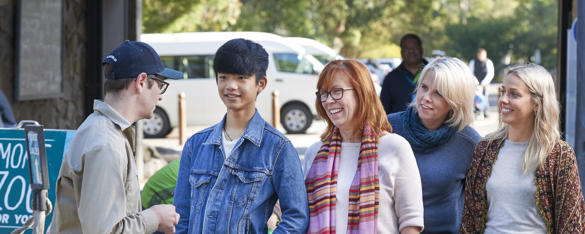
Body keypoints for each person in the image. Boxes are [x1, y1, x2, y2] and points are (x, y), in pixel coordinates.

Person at [173, 38, 309, 233]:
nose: (230, 86)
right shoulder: (196, 144)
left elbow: (296, 218)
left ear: (260, 84)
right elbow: (181, 216)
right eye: (223, 77)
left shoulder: (278, 147)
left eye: (241, 78)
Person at [50, 41, 183, 233]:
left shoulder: (99, 129)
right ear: (141, 82)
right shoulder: (106, 144)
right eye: (160, 84)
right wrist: (155, 217)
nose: (160, 96)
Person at [461, 64, 585, 233]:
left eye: (514, 94)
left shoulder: (559, 154)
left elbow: (571, 224)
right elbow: (469, 218)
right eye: (503, 91)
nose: (503, 100)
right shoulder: (484, 149)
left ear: (537, 103)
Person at [304, 60, 424, 234]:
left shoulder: (395, 147)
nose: (329, 101)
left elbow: (411, 223)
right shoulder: (314, 153)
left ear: (361, 93)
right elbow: (299, 214)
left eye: (337, 91)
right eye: (324, 93)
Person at [387, 57, 480, 233]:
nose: (426, 98)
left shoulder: (470, 143)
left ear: (456, 100)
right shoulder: (387, 128)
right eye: (424, 87)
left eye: (438, 93)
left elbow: (479, 207)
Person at [380, 34, 428, 114]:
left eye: (414, 47)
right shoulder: (390, 78)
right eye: (407, 48)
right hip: (399, 125)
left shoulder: (435, 74)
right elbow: (383, 110)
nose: (411, 51)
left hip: (432, 126)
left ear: (421, 49)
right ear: (401, 51)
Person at [468, 48, 494, 117]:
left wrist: (483, 82)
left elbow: (490, 74)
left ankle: (486, 112)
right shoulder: (473, 62)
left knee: (485, 97)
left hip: (485, 83)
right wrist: (475, 81)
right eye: (480, 55)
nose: (481, 56)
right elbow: (470, 72)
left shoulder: (488, 62)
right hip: (475, 83)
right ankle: (476, 111)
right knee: (475, 98)